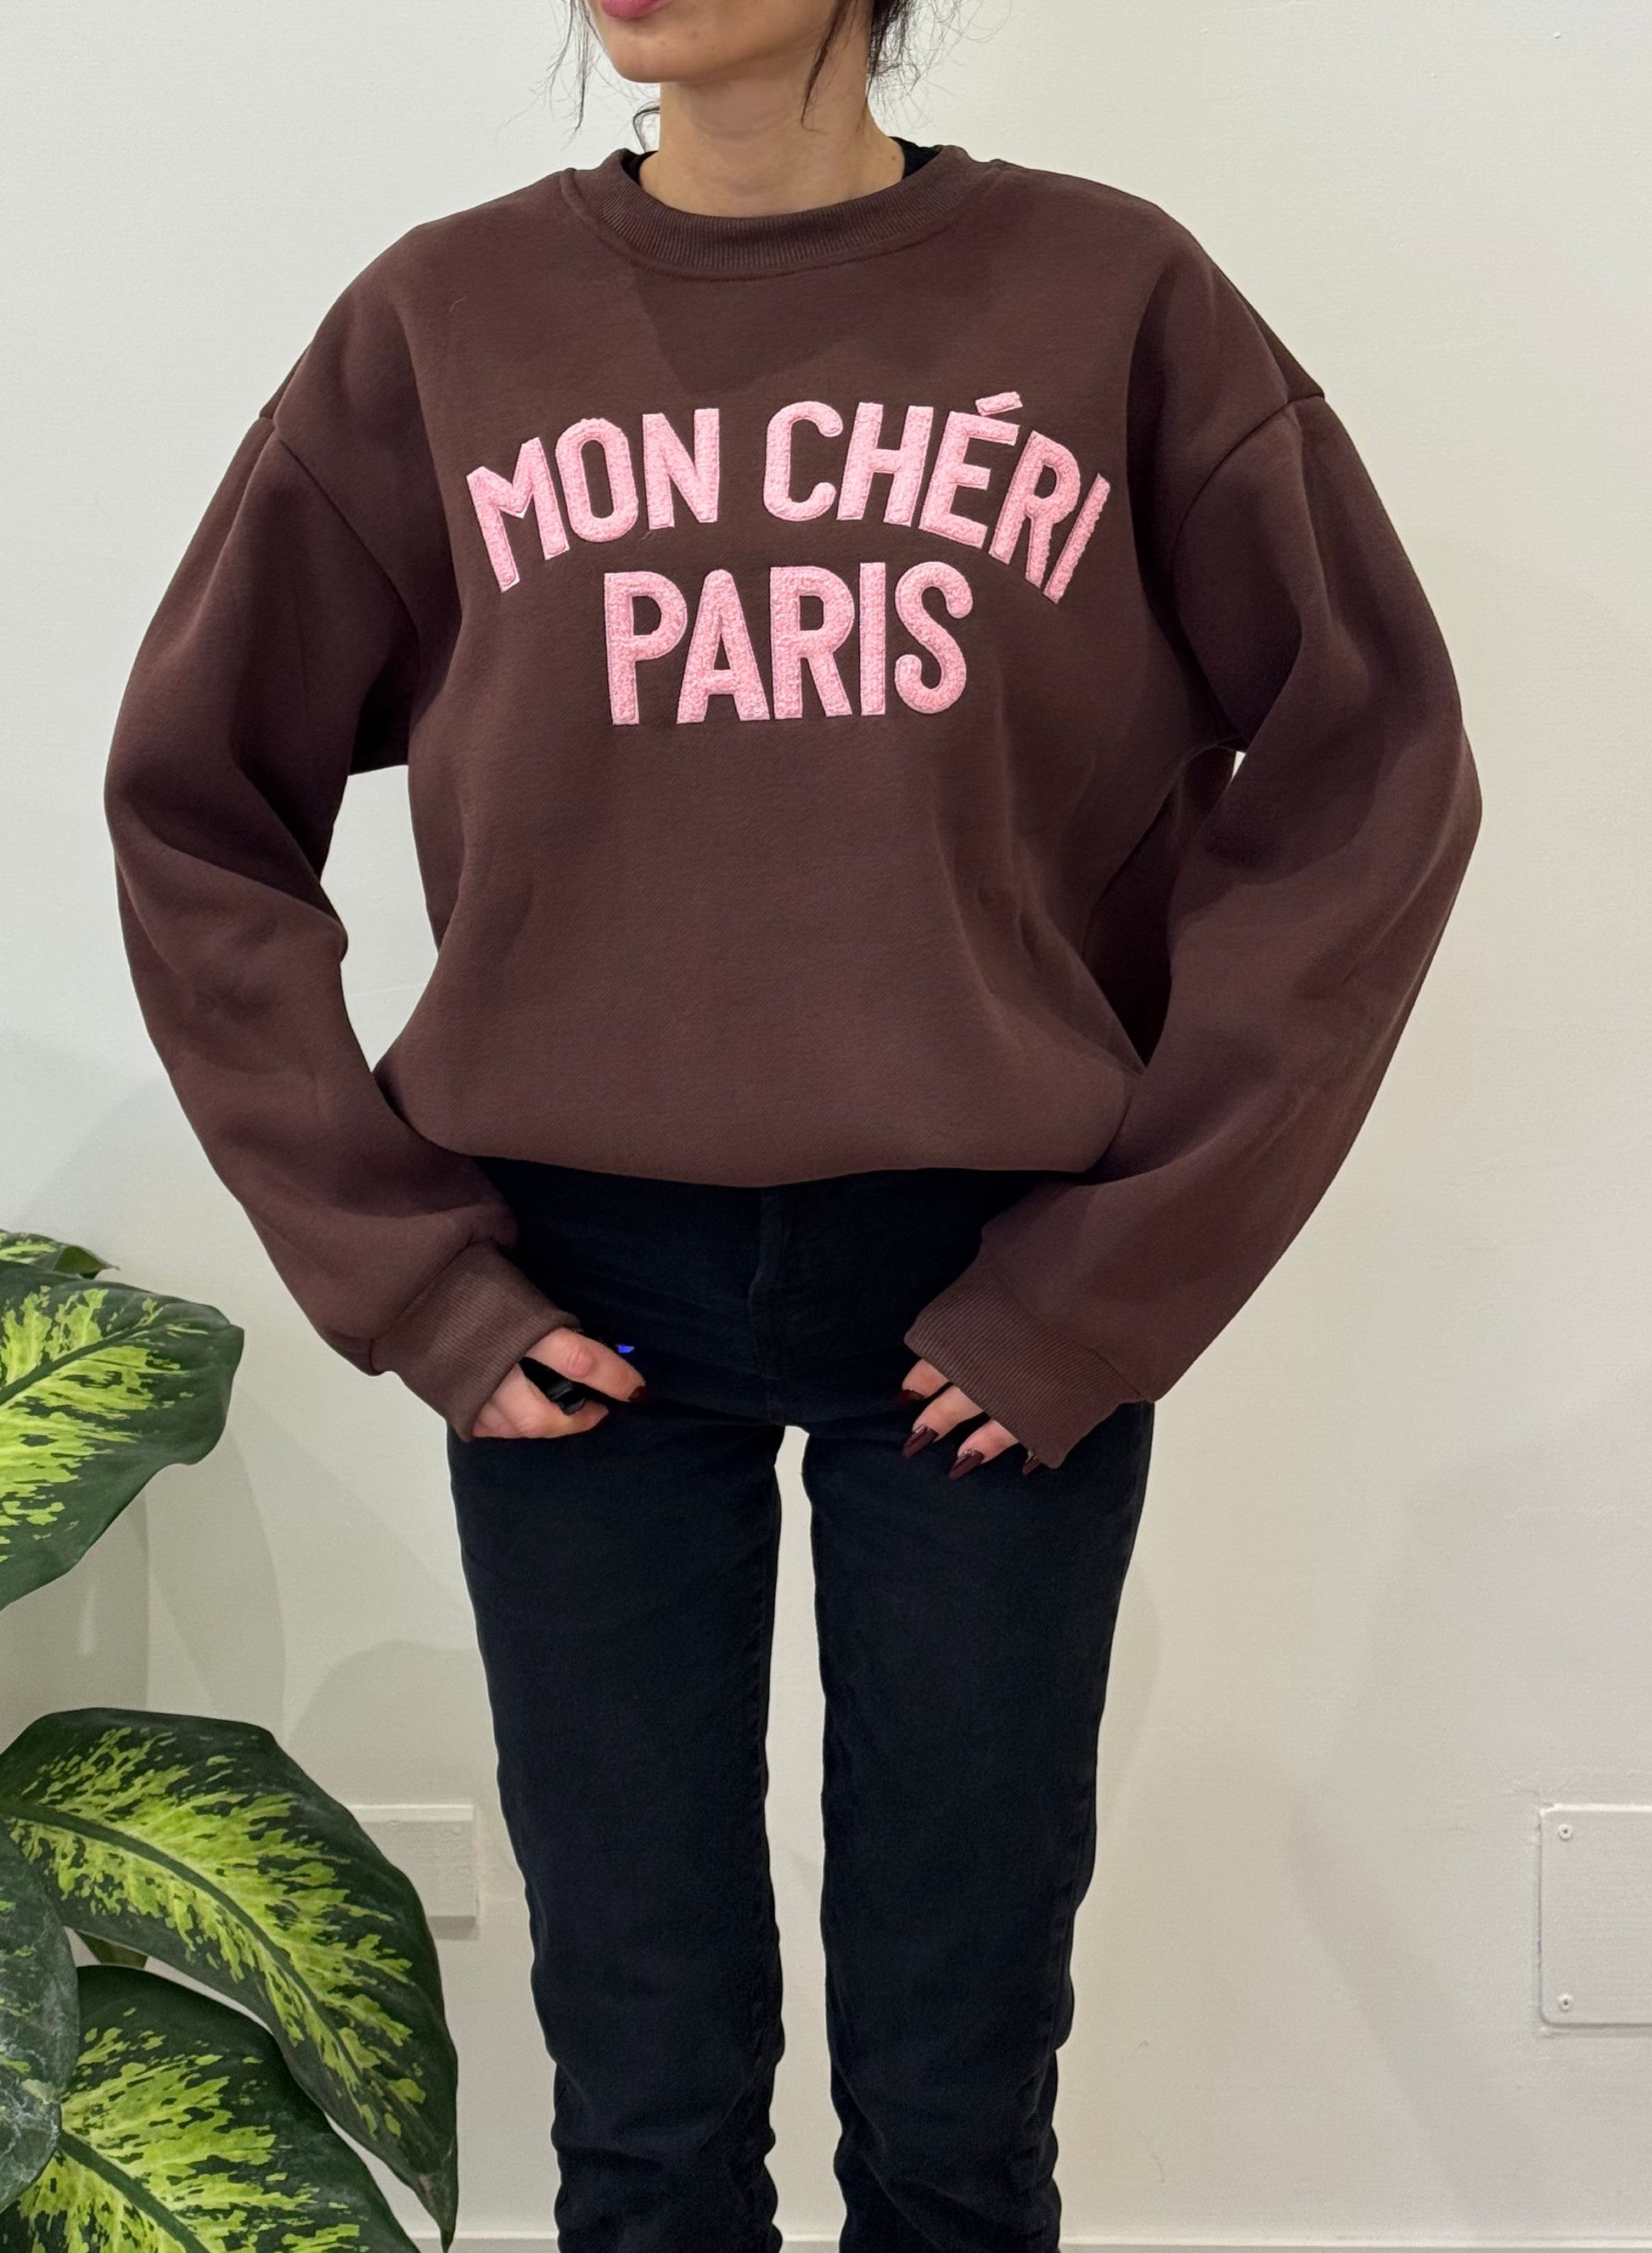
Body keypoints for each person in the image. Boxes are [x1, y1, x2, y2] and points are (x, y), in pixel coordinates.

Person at [100, 0, 1482, 2245]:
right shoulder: (446, 324)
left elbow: (1370, 778)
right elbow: (194, 810)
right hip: (574, 1308)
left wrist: (1105, 1282)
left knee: (955, 2089)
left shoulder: (1112, 300)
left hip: (989, 1302)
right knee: (643, 2096)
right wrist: (416, 1279)